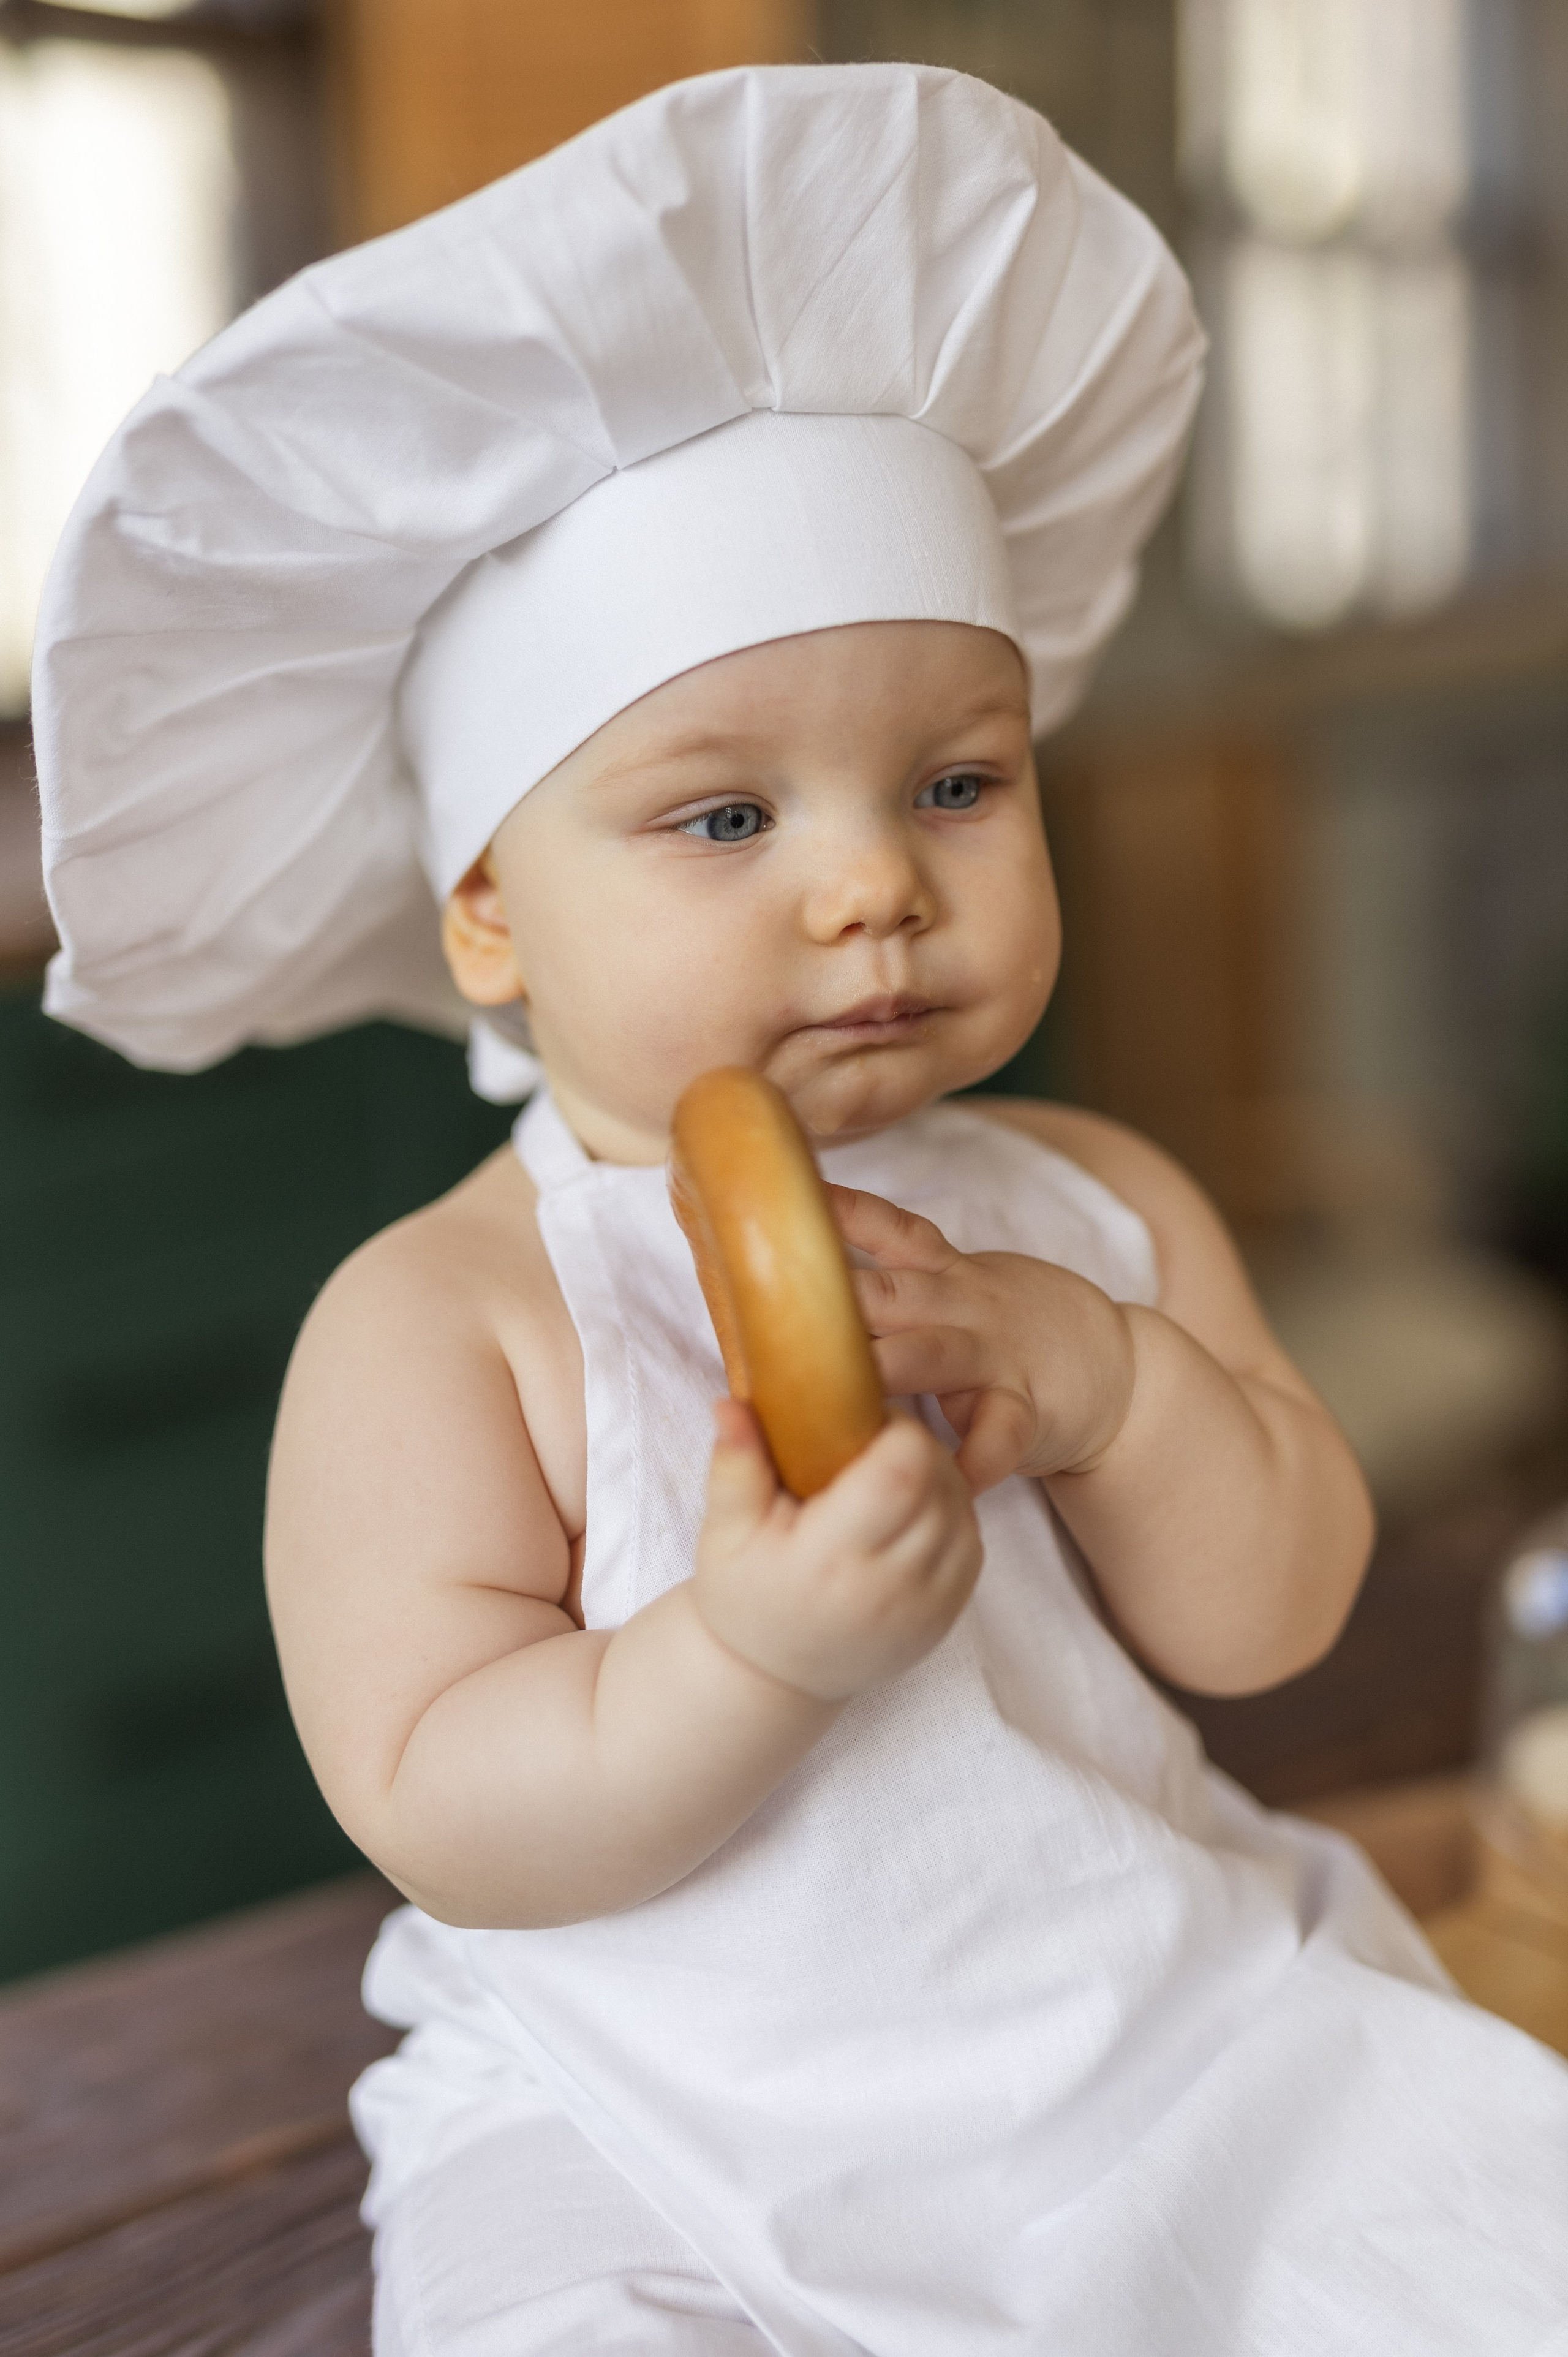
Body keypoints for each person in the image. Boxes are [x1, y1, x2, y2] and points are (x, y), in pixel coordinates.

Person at [35, 61, 1568, 2357]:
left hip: (1129, 2022)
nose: (874, 885)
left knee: (1461, 2229)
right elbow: (444, 1795)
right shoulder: (447, 1323)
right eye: (725, 821)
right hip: (638, 2109)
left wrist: (1112, 1385)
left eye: (957, 782)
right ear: (488, 912)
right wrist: (743, 1658)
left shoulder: (1096, 1197)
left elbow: (1276, 1621)